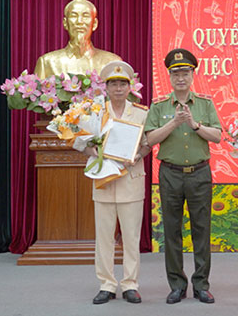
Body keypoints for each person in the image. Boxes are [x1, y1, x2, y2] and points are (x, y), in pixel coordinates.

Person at [144, 48, 222, 304]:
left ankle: (201, 285)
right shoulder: (159, 106)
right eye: (176, 73)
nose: (180, 78)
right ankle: (177, 285)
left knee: (202, 230)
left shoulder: (205, 104)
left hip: (199, 174)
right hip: (171, 174)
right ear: (169, 76)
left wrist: (194, 125)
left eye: (185, 73)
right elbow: (150, 139)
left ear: (192, 75)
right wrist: (174, 123)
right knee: (172, 231)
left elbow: (217, 136)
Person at [81, 61, 150, 305]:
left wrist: (138, 155)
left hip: (130, 179)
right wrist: (93, 152)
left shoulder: (141, 113)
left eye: (123, 84)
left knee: (131, 238)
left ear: (130, 87)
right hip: (104, 180)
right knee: (104, 239)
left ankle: (130, 284)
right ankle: (107, 284)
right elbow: (82, 142)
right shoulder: (95, 112)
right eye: (113, 84)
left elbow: (148, 144)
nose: (118, 88)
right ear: (106, 88)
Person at [34, 0, 121, 78]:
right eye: (74, 16)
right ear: (65, 23)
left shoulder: (112, 62)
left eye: (85, 16)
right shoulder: (47, 62)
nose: (79, 21)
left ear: (94, 24)